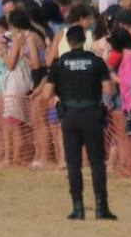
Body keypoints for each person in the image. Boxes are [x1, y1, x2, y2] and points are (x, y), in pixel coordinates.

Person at [36, 25, 117, 221]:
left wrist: (63, 93)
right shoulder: (96, 62)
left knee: (73, 163)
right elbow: (109, 89)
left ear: (68, 42)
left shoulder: (60, 63)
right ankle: (101, 207)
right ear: (84, 41)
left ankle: (78, 208)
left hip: (70, 115)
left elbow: (46, 93)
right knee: (97, 163)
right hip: (91, 113)